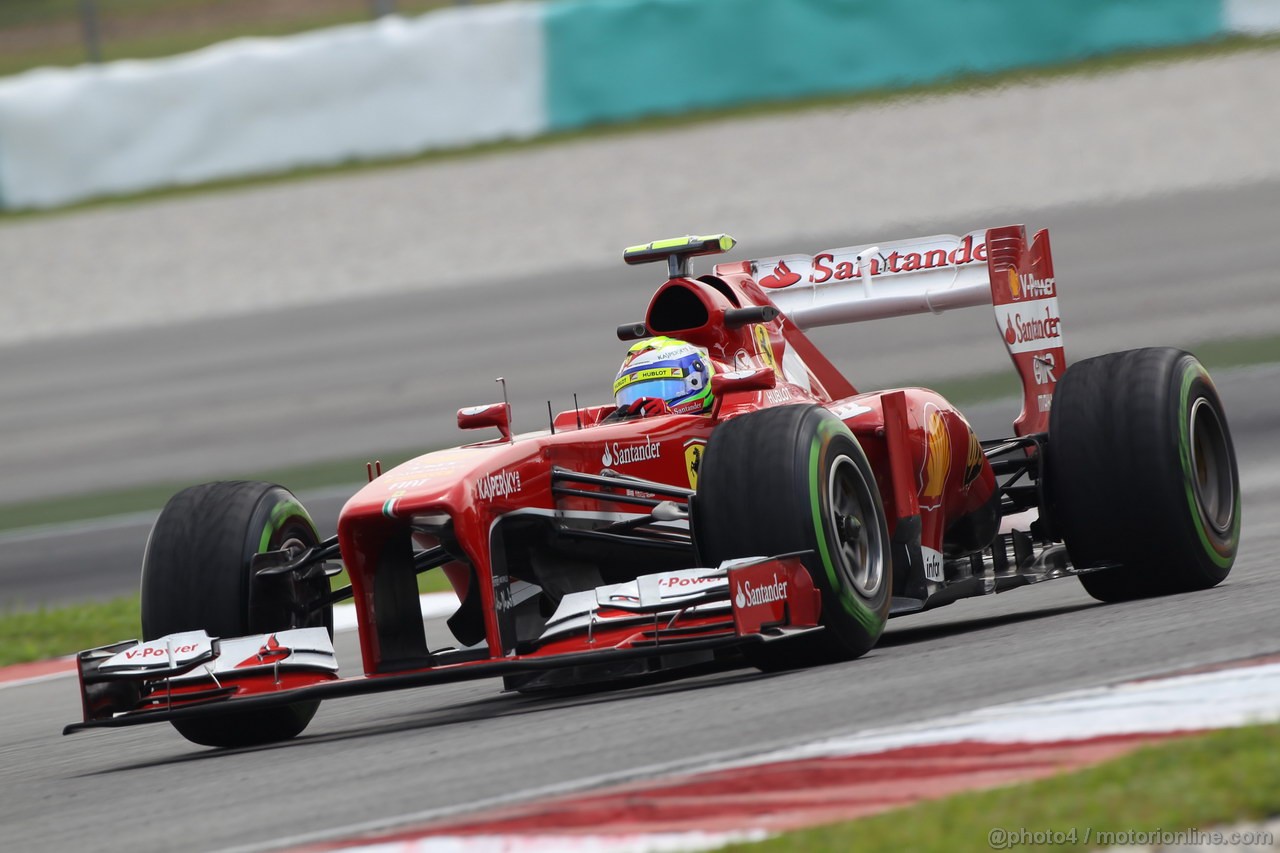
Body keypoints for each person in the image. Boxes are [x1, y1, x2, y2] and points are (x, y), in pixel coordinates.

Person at [613, 336, 715, 417]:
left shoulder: (726, 428)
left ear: (696, 380)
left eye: (657, 390)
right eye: (631, 396)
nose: (643, 408)